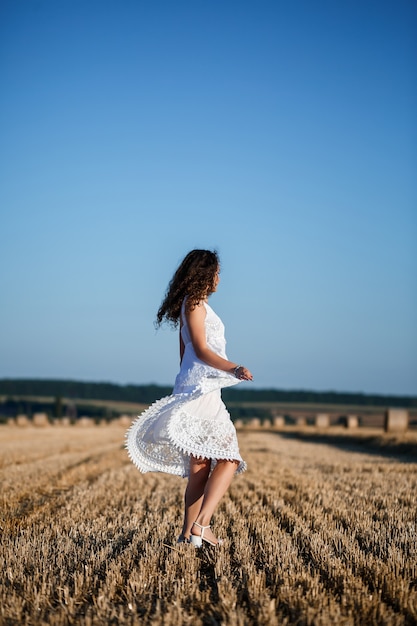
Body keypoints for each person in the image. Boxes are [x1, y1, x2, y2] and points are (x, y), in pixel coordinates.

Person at [126, 249, 253, 546]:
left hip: (195, 387)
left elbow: (184, 357)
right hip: (202, 391)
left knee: (199, 468)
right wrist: (234, 367)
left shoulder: (191, 305)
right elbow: (201, 349)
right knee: (229, 458)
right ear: (205, 274)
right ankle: (202, 524)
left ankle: (186, 535)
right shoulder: (195, 305)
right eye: (217, 272)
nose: (220, 278)